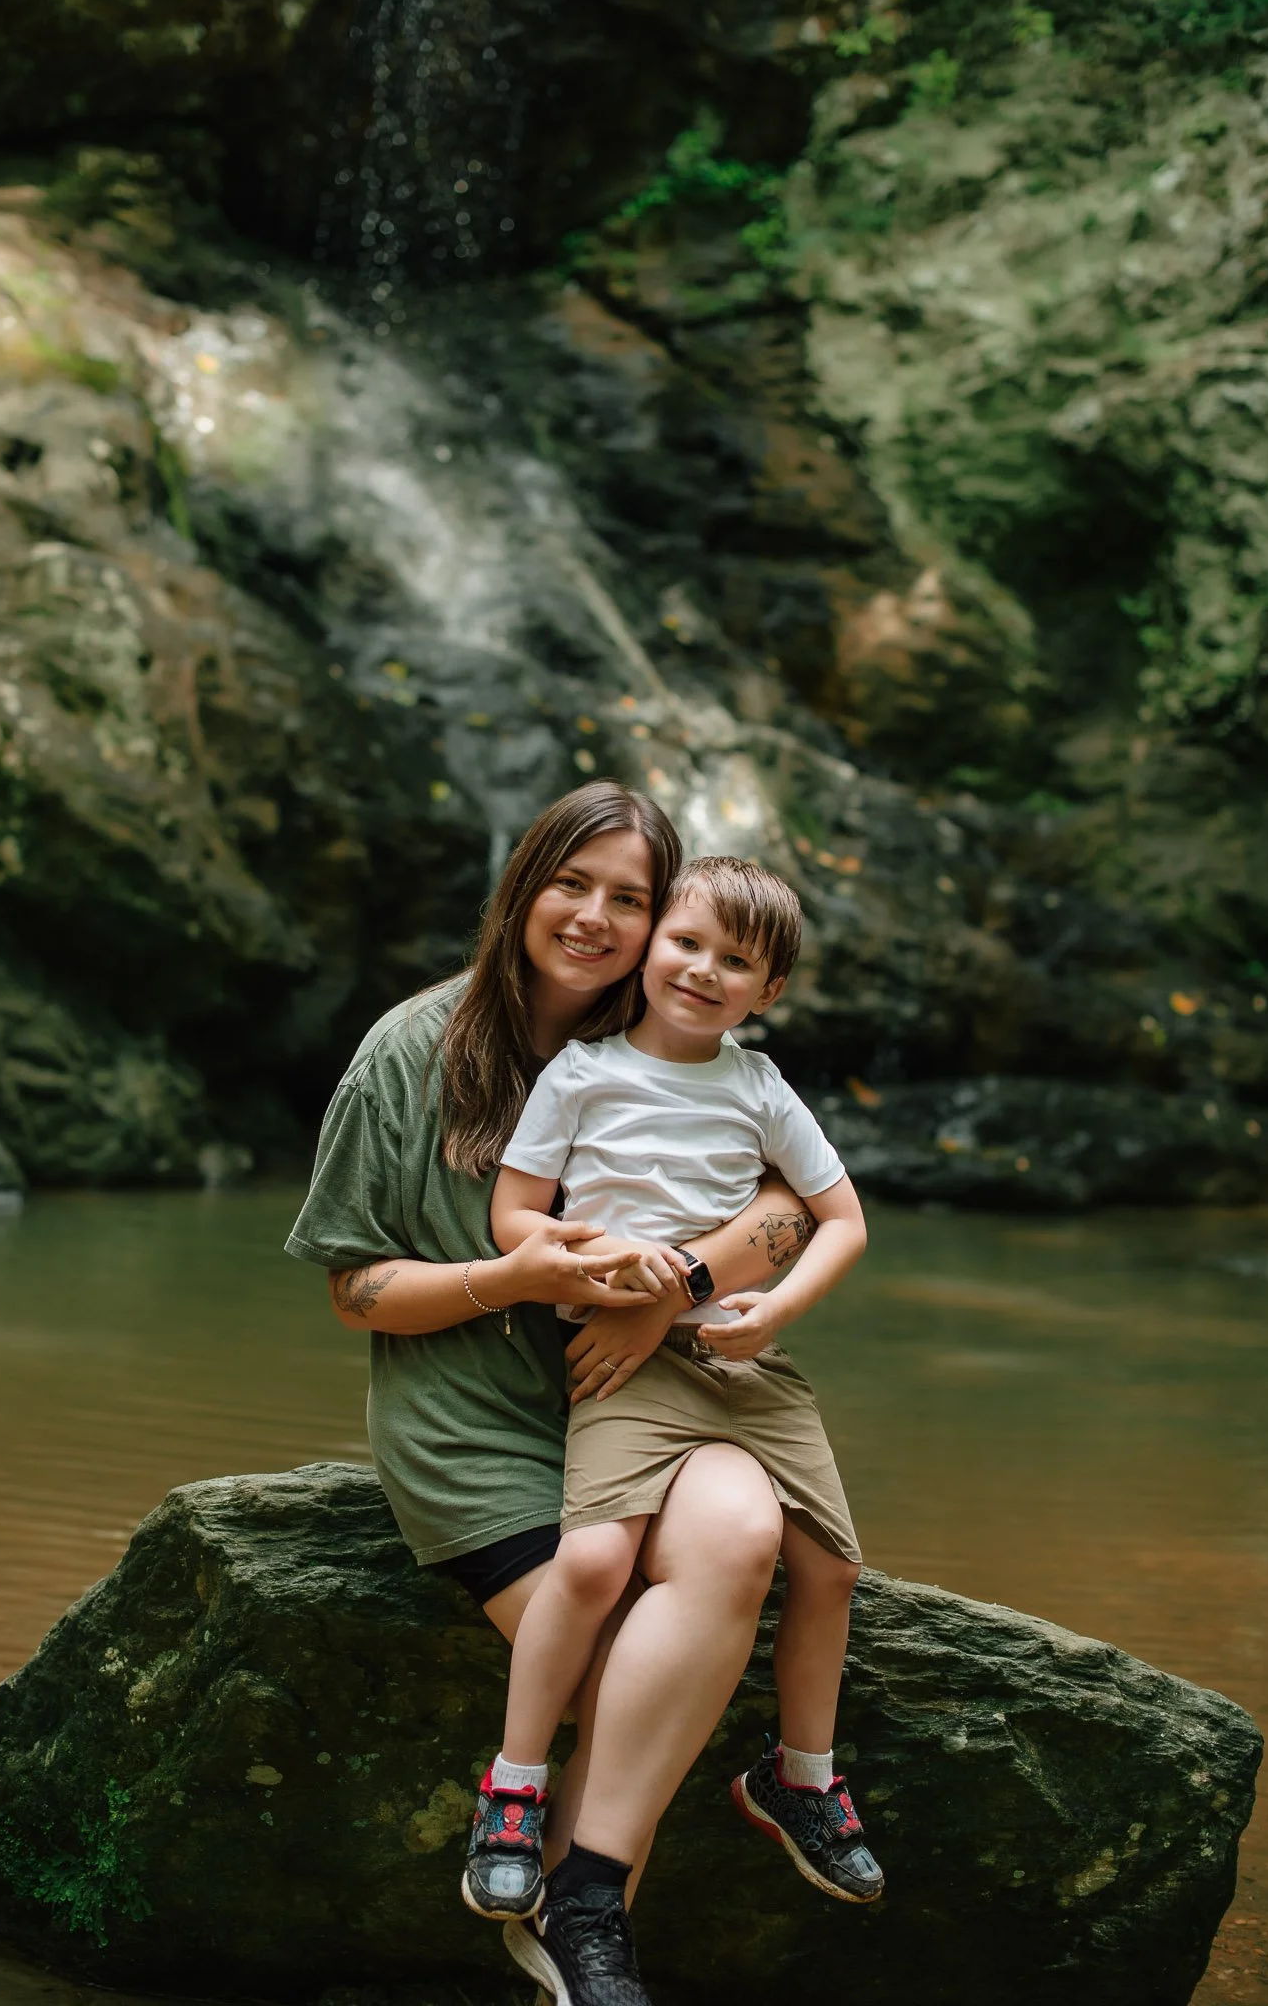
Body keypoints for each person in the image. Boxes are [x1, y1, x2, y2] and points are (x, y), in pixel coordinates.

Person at [285, 783, 825, 2006]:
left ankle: (577, 1893)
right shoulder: (410, 1050)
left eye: (629, 899)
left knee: (743, 1538)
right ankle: (587, 1933)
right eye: (569, 883)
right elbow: (353, 1289)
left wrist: (669, 1288)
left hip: (650, 1389)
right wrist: (506, 1274)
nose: (593, 917)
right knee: (611, 1676)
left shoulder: (688, 1026)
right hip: (475, 1419)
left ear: (667, 920)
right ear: (520, 884)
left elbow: (791, 1208)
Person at [463, 856, 882, 2000]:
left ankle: (800, 1774)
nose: (701, 970)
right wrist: (601, 1263)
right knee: (594, 1555)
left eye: (734, 960)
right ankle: (513, 1783)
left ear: (770, 988)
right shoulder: (579, 1072)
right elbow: (515, 1216)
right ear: (651, 947)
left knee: (832, 1564)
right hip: (621, 1358)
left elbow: (836, 1216)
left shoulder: (754, 1084)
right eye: (686, 942)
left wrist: (774, 1307)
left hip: (738, 1354)